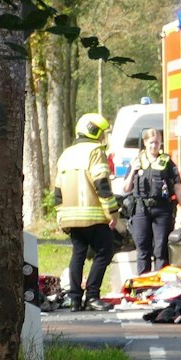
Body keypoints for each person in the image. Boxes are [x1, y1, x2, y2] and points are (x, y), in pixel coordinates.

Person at [54, 112, 122, 310]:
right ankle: (92, 296)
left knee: (78, 254)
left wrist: (61, 215)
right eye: (102, 133)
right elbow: (101, 183)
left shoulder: (66, 153)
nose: (103, 138)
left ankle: (75, 299)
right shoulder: (95, 152)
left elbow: (57, 189)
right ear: (94, 131)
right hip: (93, 215)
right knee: (104, 251)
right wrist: (113, 213)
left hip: (70, 217)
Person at [128, 127, 181, 274]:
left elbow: (177, 187)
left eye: (157, 142)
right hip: (141, 209)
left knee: (161, 249)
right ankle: (143, 286)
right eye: (151, 142)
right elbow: (126, 188)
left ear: (161, 143)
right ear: (145, 143)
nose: (154, 146)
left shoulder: (167, 162)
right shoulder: (137, 161)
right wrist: (133, 170)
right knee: (143, 249)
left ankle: (161, 286)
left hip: (162, 209)